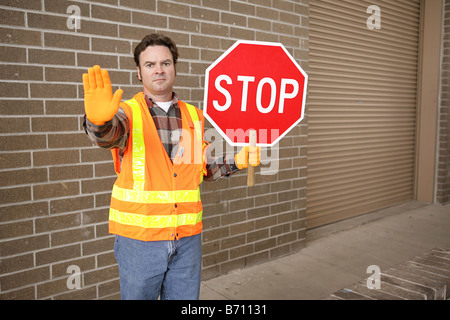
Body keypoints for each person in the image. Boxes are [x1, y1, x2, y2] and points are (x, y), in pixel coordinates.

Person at [83, 33, 260, 300]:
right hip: (140, 242)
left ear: (175, 68)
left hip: (187, 240)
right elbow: (107, 135)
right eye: (150, 64)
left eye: (165, 63)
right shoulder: (126, 114)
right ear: (139, 73)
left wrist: (238, 160)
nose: (159, 70)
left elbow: (202, 169)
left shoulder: (193, 115)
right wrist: (98, 122)